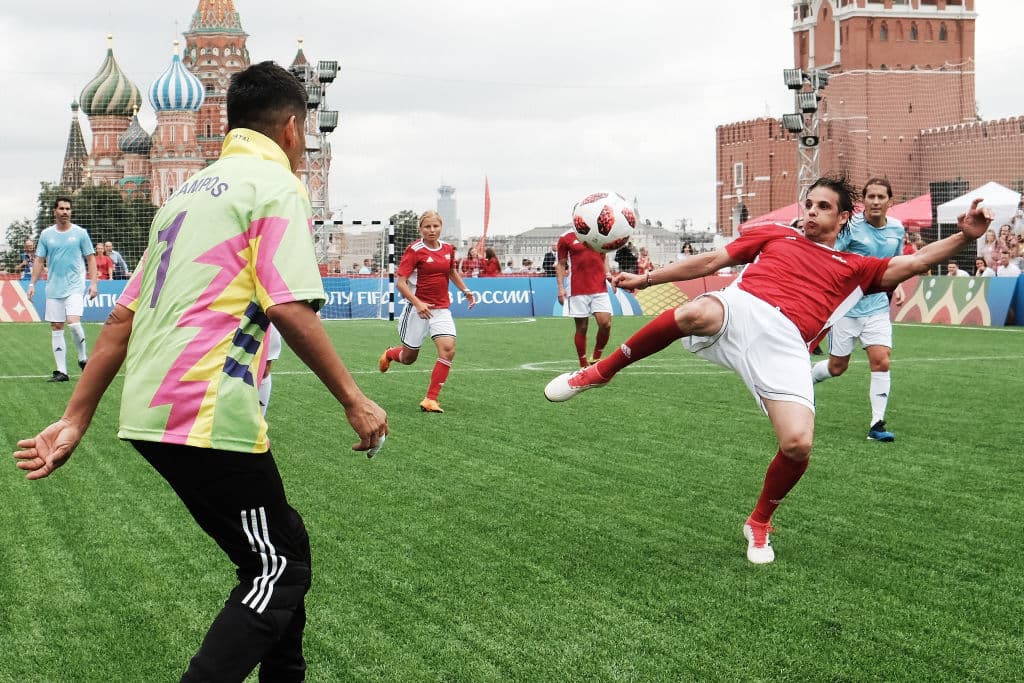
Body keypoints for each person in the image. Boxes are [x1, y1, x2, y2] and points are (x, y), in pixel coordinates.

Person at [14, 62, 388, 681]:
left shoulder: (186, 194)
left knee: (277, 550)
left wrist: (75, 418)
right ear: (293, 130)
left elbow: (118, 322)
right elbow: (287, 304)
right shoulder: (275, 188)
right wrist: (354, 397)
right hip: (205, 406)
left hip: (151, 409)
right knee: (279, 567)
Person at [544, 175, 993, 565]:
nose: (812, 213)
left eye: (823, 208)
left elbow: (914, 262)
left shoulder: (858, 267)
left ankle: (760, 522)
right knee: (695, 312)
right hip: (741, 308)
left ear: (842, 220)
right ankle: (600, 371)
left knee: (797, 445)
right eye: (809, 204)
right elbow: (709, 263)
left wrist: (964, 235)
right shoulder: (777, 236)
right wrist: (646, 279)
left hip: (786, 344)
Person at [810, 178, 905, 443]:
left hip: (876, 307)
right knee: (837, 367)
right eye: (871, 197)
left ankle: (877, 424)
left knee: (881, 360)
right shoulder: (850, 228)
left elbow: (895, 262)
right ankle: (807, 380)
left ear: (890, 202)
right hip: (846, 309)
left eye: (880, 197)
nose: (875, 201)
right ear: (864, 201)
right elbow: (832, 259)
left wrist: (896, 286)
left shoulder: (897, 229)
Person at [379, 210, 476, 413]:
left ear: (441, 226)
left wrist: (466, 290)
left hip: (441, 310)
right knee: (408, 358)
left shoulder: (449, 249)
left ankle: (430, 399)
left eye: (435, 226)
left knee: (448, 349)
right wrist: (417, 303)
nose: (432, 230)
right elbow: (401, 283)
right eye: (427, 227)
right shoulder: (414, 250)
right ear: (420, 229)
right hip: (417, 311)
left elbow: (451, 272)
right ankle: (389, 353)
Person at [27, 197, 98, 382]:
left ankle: (83, 358)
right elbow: (39, 260)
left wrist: (94, 283)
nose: (65, 212)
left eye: (68, 209)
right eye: (62, 209)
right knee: (56, 326)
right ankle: (62, 371)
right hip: (53, 288)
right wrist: (32, 284)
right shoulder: (46, 234)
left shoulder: (80, 233)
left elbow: (91, 258)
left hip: (75, 286)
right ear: (55, 211)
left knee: (73, 323)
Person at [556, 226, 613, 368]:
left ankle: (596, 356)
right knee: (582, 327)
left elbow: (604, 256)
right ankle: (583, 364)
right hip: (577, 288)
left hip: (599, 286)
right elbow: (561, 264)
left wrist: (608, 275)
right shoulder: (565, 237)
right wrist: (560, 288)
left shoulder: (599, 233)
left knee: (605, 324)